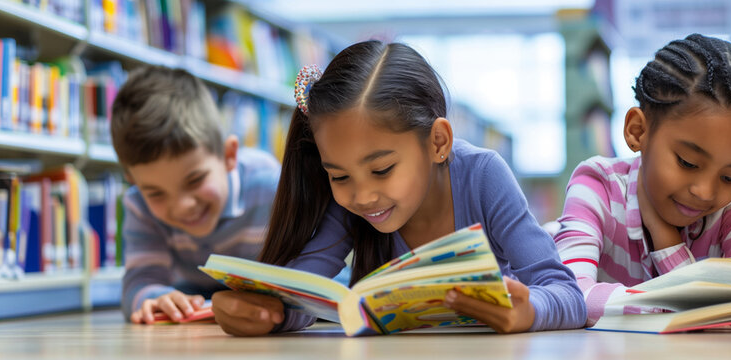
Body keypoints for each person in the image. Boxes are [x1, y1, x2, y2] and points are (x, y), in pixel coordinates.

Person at [211, 40, 587, 336]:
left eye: (382, 169)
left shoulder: (483, 175)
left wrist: (529, 311)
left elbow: (568, 295)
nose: (362, 196)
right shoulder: (352, 207)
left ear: (438, 142)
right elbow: (303, 292)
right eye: (339, 177)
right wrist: (265, 313)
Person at [553, 33, 731, 326]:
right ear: (637, 131)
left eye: (729, 176)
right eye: (687, 162)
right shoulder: (597, 186)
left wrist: (667, 243)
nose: (706, 192)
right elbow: (570, 296)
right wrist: (696, 306)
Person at [110, 66, 280, 324]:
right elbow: (139, 283)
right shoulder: (139, 206)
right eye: (155, 192)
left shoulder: (270, 187)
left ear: (228, 156)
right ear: (133, 181)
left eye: (195, 180)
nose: (182, 206)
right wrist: (155, 298)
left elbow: (320, 276)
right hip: (200, 314)